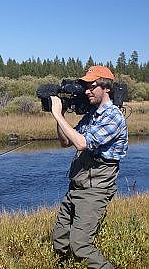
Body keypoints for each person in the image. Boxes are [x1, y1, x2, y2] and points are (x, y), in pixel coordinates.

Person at [50, 66, 128, 268]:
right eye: (85, 87)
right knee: (60, 239)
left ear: (106, 88)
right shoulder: (92, 115)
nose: (87, 91)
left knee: (81, 246)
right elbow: (66, 141)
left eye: (92, 86)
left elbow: (82, 143)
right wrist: (62, 116)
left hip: (96, 189)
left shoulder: (113, 116)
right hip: (78, 184)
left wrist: (58, 115)